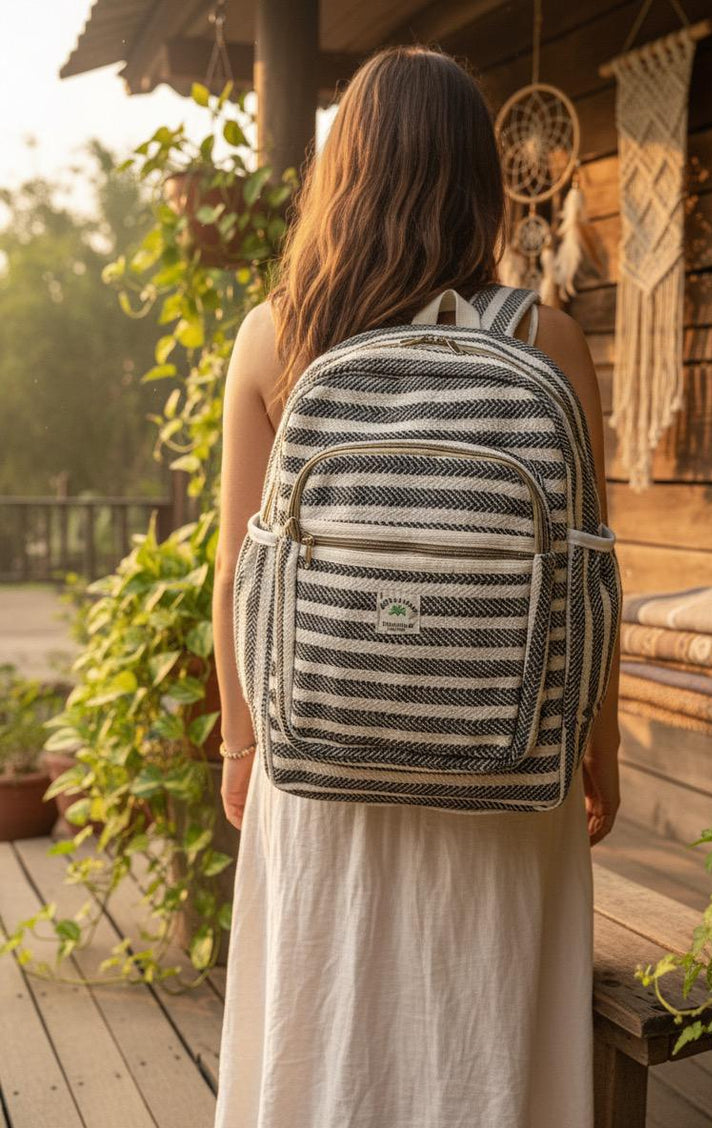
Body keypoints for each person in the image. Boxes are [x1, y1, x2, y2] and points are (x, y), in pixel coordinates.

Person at [212, 44, 621, 1128]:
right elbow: (590, 567)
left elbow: (235, 569)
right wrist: (598, 751)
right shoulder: (547, 340)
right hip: (507, 759)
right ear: (477, 182)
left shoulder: (274, 336)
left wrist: (239, 746)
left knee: (320, 1028)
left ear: (341, 172)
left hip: (317, 757)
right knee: (484, 1041)